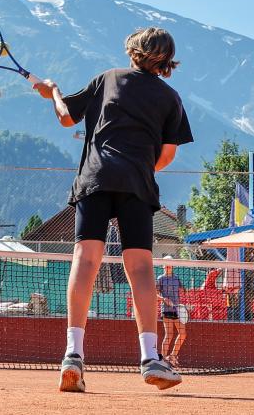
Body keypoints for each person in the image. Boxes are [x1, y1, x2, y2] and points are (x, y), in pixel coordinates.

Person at [42, 27, 193, 392]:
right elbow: (168, 155)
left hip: (95, 178)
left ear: (133, 51)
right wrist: (138, 167)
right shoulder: (171, 97)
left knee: (85, 260)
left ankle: (72, 356)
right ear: (167, 59)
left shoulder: (106, 79)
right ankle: (150, 358)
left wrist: (53, 92)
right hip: (137, 184)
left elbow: (66, 117)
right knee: (140, 269)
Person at [156, 256, 187, 366]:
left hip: (177, 310)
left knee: (182, 334)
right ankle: (162, 360)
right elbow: (155, 294)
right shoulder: (160, 278)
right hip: (167, 310)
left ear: (172, 265)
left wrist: (184, 291)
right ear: (163, 266)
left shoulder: (176, 278)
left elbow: (183, 290)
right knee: (169, 335)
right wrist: (163, 299)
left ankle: (173, 356)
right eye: (166, 263)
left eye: (170, 263)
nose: (168, 265)